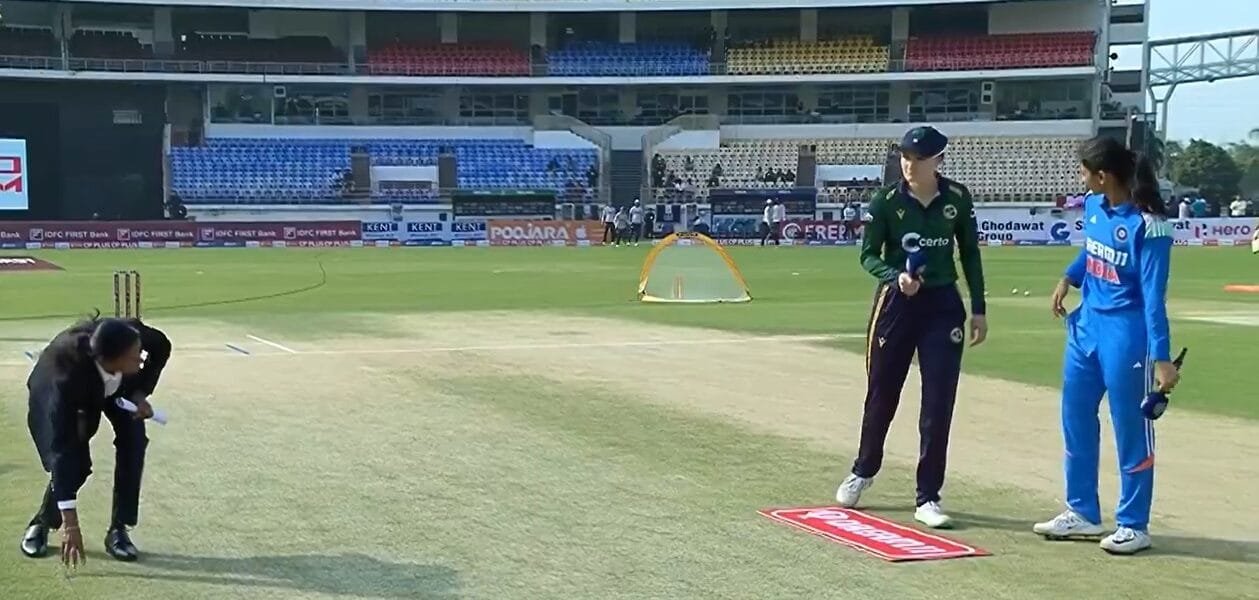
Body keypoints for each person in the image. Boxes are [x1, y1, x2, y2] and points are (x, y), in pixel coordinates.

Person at [835, 125, 988, 529]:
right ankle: (864, 469)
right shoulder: (886, 201)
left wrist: (979, 308)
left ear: (938, 160)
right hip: (896, 305)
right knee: (882, 395)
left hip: (942, 305)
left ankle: (928, 496)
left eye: (917, 159)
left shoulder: (957, 199)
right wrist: (893, 276)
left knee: (938, 403)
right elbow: (867, 255)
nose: (908, 165)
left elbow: (970, 254)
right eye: (904, 156)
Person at [1036, 136, 1177, 555]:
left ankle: (1134, 523)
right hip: (1086, 328)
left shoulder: (1149, 225)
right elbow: (1092, 250)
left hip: (1127, 334)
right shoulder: (1095, 207)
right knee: (1076, 418)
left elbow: (1154, 297)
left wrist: (1163, 357)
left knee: (1131, 427)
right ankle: (1082, 511)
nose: (1081, 179)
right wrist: (1069, 277)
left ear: (1104, 175)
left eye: (1085, 172)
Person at [20, 315, 172, 566]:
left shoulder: (131, 338)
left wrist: (140, 392)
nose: (141, 357)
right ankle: (43, 522)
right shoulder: (65, 378)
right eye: (135, 354)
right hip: (73, 395)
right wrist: (71, 523)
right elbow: (61, 449)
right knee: (75, 463)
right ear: (114, 357)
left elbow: (161, 347)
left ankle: (119, 529)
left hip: (120, 386)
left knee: (133, 444)